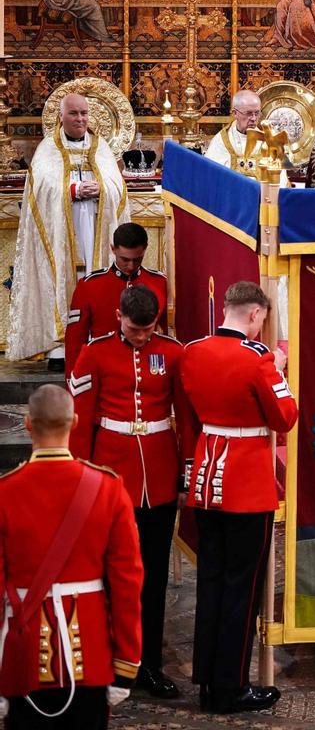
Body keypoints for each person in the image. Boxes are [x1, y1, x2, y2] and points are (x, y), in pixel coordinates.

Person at [179, 282, 297, 713]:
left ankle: (208, 680)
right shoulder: (258, 359)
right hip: (246, 481)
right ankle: (229, 688)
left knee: (210, 580)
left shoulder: (193, 351)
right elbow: (285, 418)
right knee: (241, 588)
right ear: (253, 315)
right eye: (263, 320)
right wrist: (279, 369)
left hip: (206, 473)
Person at [68, 286, 190, 700]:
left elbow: (185, 417)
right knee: (107, 574)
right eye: (134, 329)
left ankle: (148, 665)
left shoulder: (173, 352)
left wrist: (186, 471)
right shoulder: (95, 353)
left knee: (153, 577)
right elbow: (81, 422)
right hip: (110, 475)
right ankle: (105, 661)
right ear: (119, 315)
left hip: (157, 474)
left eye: (147, 330)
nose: (141, 337)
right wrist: (81, 477)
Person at [0, 384, 143, 728]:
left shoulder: (5, 492)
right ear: (75, 422)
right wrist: (126, 662)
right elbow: (128, 583)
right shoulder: (108, 488)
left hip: (23, 653)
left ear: (28, 424)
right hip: (90, 653)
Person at [7, 93, 129, 367]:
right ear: (61, 116)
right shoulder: (48, 148)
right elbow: (39, 189)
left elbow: (118, 186)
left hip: (95, 225)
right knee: (63, 278)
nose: (80, 119)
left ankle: (96, 338)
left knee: (92, 276)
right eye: (74, 113)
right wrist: (71, 190)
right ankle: (59, 348)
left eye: (84, 113)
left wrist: (103, 189)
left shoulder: (100, 148)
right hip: (61, 228)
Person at [64, 222, 167, 377]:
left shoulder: (160, 282)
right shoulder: (90, 285)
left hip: (147, 370)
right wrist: (74, 385)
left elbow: (167, 334)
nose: (131, 266)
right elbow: (74, 342)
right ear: (113, 249)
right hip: (105, 369)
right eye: (124, 259)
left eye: (137, 259)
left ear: (145, 249)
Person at [204, 90, 287, 183]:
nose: (254, 118)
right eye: (248, 113)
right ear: (235, 113)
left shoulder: (270, 138)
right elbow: (211, 175)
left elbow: (279, 178)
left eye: (257, 113)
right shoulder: (222, 141)